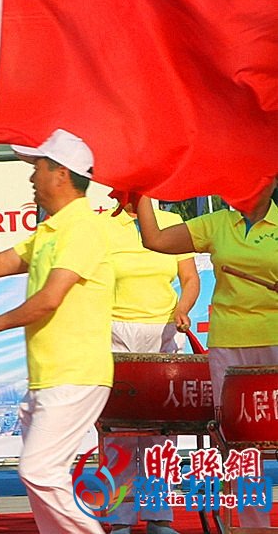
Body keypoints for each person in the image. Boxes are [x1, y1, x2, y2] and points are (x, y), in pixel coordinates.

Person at [0, 129, 113, 533]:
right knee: (41, 477)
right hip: (48, 376)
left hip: (75, 373)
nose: (32, 177)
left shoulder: (82, 227)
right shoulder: (50, 231)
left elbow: (51, 298)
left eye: (38, 168)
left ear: (61, 174)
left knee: (39, 470)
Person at [136, 177, 278, 529]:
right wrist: (139, 191)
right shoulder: (217, 223)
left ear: (271, 182)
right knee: (238, 438)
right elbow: (155, 240)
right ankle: (253, 524)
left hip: (274, 340)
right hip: (229, 343)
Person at [103, 200, 200, 534]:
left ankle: (159, 517)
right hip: (115, 331)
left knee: (161, 432)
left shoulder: (171, 221)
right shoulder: (103, 225)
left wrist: (182, 308)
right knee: (119, 433)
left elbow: (190, 278)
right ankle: (119, 518)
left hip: (163, 331)